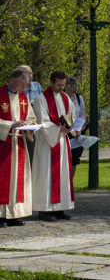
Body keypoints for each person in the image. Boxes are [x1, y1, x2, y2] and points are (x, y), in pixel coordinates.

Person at [31, 71, 76, 222]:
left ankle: (59, 208)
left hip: (62, 142)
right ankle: (45, 210)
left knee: (62, 174)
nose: (61, 88)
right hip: (47, 143)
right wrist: (58, 130)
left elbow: (72, 114)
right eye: (58, 85)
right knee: (46, 175)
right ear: (50, 83)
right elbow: (42, 122)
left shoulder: (65, 98)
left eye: (63, 85)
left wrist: (69, 126)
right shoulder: (41, 99)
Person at [0, 67, 36, 227]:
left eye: (26, 84)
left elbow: (31, 116)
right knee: (3, 180)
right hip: (4, 142)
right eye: (23, 83)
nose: (25, 87)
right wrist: (11, 125)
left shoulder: (23, 98)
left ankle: (14, 214)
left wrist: (31, 124)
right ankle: (1, 215)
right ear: (13, 80)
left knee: (18, 180)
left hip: (19, 143)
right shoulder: (0, 94)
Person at [64, 76, 87, 179]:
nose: (73, 86)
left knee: (74, 159)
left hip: (77, 132)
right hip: (65, 130)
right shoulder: (61, 97)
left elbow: (82, 114)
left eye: (74, 84)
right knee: (64, 158)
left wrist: (79, 129)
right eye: (70, 84)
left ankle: (70, 184)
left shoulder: (78, 98)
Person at [19, 65, 42, 166]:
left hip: (34, 126)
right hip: (21, 127)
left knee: (34, 157)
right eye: (28, 73)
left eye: (31, 73)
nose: (30, 75)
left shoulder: (37, 86)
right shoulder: (17, 88)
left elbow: (42, 101)